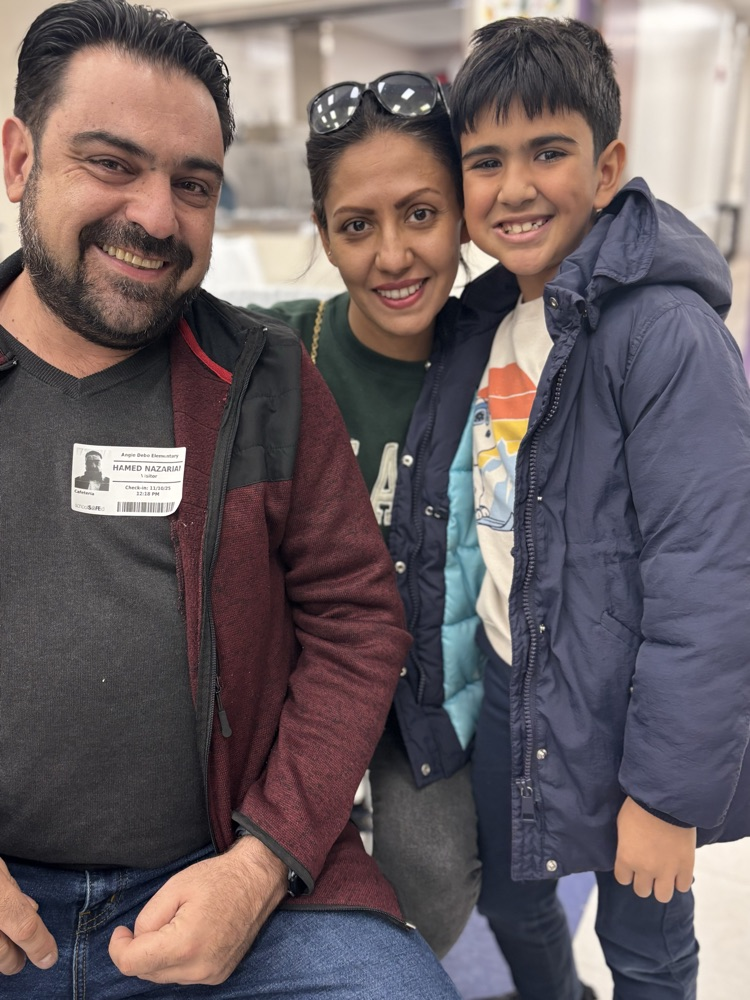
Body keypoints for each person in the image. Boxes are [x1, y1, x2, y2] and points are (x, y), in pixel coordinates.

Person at [0, 2, 464, 997]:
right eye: (111, 162)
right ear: (18, 159)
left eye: (193, 183)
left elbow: (356, 623)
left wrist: (260, 864)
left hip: (234, 882)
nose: (158, 216)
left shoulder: (266, 380)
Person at [449, 16, 750, 1000]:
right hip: (512, 676)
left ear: (608, 161)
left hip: (627, 714)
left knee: (645, 943)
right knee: (509, 894)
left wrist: (664, 796)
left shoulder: (664, 332)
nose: (516, 186)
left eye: (549, 151)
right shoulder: (490, 318)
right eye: (485, 160)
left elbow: (708, 580)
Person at [249, 72, 489, 957]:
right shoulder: (275, 351)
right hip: (298, 668)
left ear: (462, 213)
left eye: (421, 213)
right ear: (324, 234)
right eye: (357, 225)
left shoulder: (495, 361)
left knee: (433, 879)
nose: (393, 256)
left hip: (429, 681)